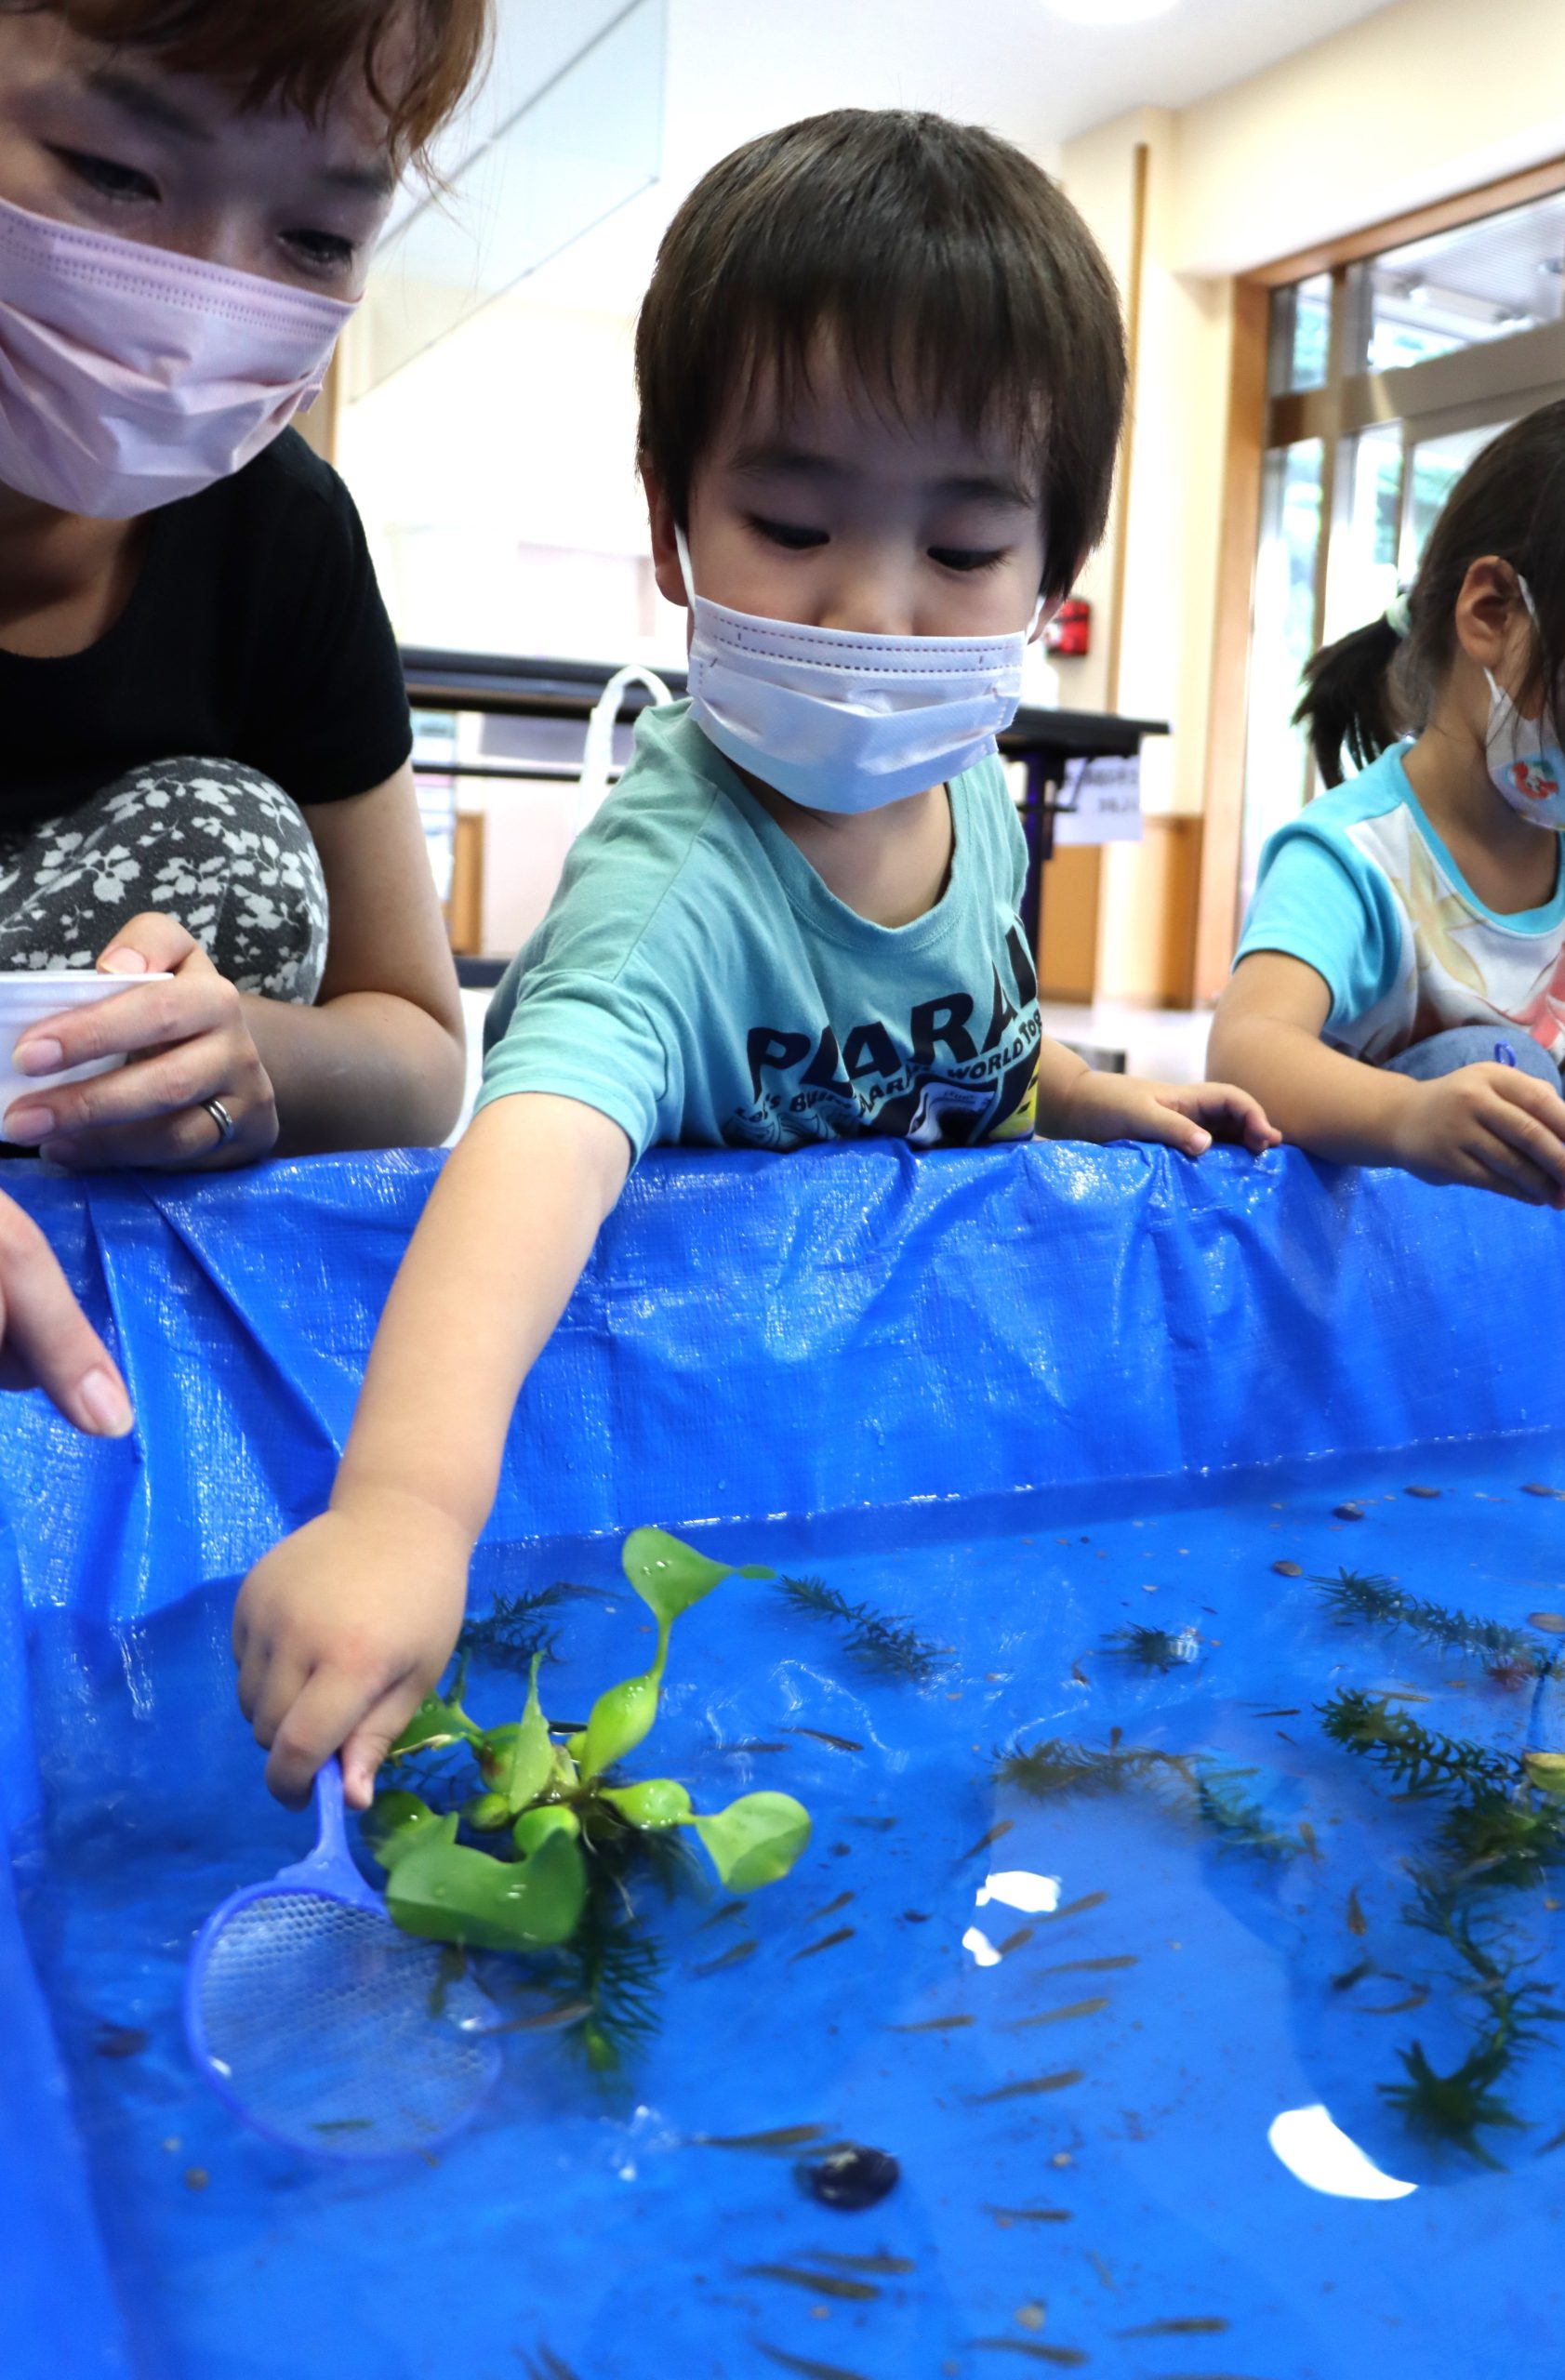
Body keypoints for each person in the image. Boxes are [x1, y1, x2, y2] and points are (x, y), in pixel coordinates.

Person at [234, 108, 1279, 1810]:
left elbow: (960, 1046)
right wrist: (403, 1513)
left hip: (896, 1453)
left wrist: (1080, 1090)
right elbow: (532, 1158)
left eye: (958, 551)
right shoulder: (678, 888)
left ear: (1049, 576)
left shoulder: (972, 806)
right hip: (675, 1479)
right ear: (672, 529)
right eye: (791, 523)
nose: (875, 607)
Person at [0, 0, 489, 1439]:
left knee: (233, 843)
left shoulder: (279, 535)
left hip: (93, 1244)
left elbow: (415, 1046)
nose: (201, 297)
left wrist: (248, 1058)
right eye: (114, 172)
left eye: (316, 240)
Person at [1211, 403, 1565, 1209]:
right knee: (1499, 1069)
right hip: (1356, 1249)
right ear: (1491, 615)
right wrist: (1409, 1117)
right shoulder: (1355, 855)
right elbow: (1244, 1047)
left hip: (1501, 1276)